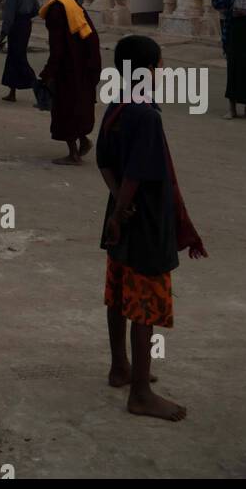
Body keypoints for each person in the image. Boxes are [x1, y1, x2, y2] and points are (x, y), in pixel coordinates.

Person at [97, 34, 207, 421]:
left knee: (119, 292)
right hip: (142, 220)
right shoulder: (145, 113)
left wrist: (115, 209)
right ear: (147, 70)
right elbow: (141, 172)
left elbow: (105, 163)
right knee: (143, 302)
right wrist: (123, 208)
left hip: (122, 218)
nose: (162, 71)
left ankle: (119, 367)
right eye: (160, 65)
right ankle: (140, 393)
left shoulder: (118, 104)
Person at [37, 0, 101, 162]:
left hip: (68, 69)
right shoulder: (76, 6)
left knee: (65, 109)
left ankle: (73, 153)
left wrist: (48, 72)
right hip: (84, 66)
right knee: (78, 106)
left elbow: (58, 47)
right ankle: (83, 139)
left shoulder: (57, 9)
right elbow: (91, 38)